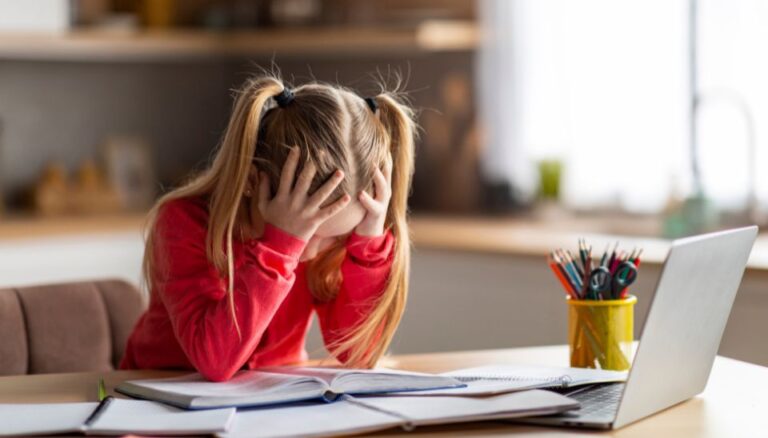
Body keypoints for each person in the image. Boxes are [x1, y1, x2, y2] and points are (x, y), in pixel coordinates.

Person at [120, 74, 416, 381]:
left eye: (336, 237)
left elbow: (358, 353)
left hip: (268, 403)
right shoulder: (183, 222)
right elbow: (214, 362)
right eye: (305, 232)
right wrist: (280, 247)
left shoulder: (338, 241)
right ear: (251, 181)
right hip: (155, 397)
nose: (310, 252)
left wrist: (368, 246)